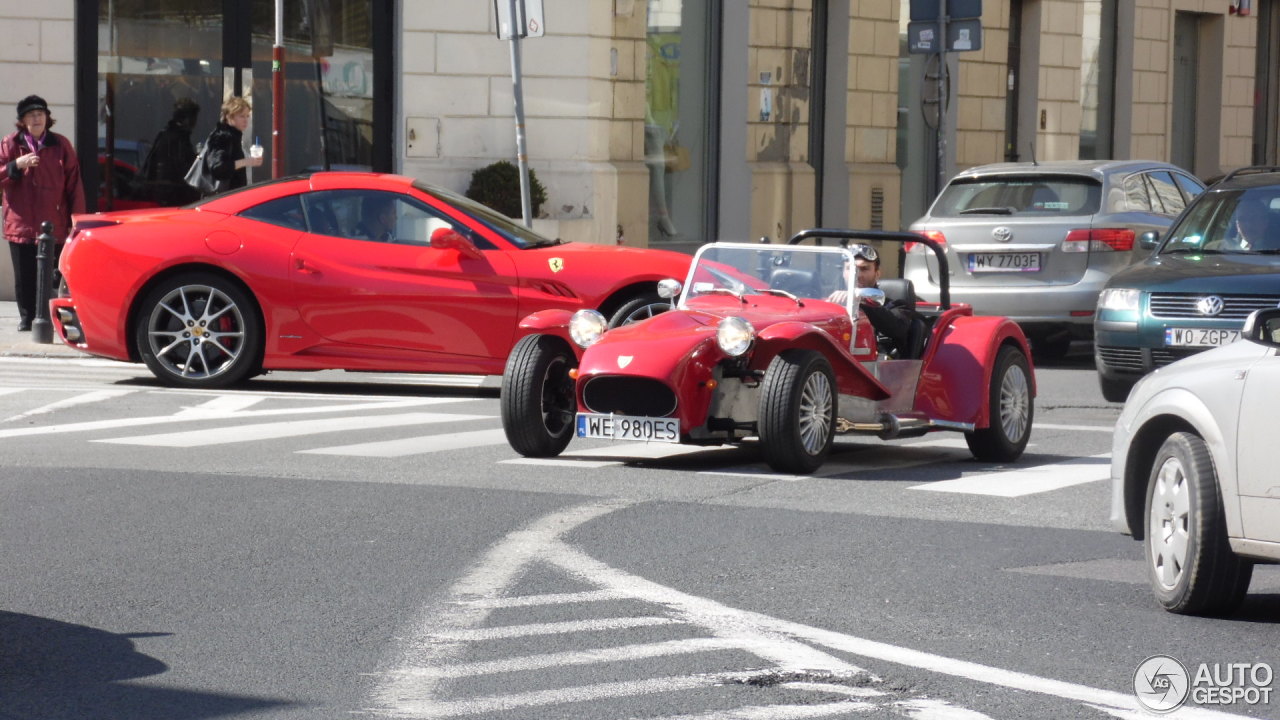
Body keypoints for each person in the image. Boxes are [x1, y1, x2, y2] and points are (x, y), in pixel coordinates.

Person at [0, 95, 86, 331]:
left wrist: (76, 220)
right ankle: (27, 318)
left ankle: (51, 317)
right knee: (24, 275)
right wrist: (16, 165)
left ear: (47, 119)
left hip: (53, 222)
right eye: (31, 115)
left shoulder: (60, 145)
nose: (37, 119)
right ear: (22, 121)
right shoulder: (10, 144)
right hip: (20, 222)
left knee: (53, 275)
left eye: (40, 114)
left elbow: (74, 184)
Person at [827, 244, 919, 356]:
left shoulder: (895, 305)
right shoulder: (830, 301)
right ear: (843, 272)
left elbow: (897, 328)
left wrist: (859, 298)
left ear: (877, 273)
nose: (858, 275)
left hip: (877, 367)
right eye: (850, 268)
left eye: (864, 269)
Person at [141, 97, 201, 206]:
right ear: (187, 118)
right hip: (173, 193)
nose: (195, 123)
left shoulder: (166, 134)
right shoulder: (177, 138)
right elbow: (182, 167)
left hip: (166, 192)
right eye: (194, 118)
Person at [202, 95, 262, 196]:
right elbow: (218, 167)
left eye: (247, 116)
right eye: (241, 116)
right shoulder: (222, 136)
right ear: (229, 117)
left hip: (231, 197)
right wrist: (246, 162)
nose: (245, 120)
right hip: (222, 199)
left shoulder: (234, 136)